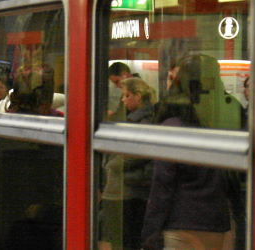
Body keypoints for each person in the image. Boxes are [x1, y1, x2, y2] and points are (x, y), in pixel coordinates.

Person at [141, 54, 238, 249]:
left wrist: (150, 232)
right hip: (217, 222)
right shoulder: (223, 121)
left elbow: (163, 185)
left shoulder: (173, 126)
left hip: (181, 222)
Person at [98, 77, 155, 250]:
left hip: (127, 190)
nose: (123, 100)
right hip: (126, 189)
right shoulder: (133, 118)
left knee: (123, 239)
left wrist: (112, 166)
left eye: (126, 95)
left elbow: (135, 153)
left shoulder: (142, 121)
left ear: (138, 96)